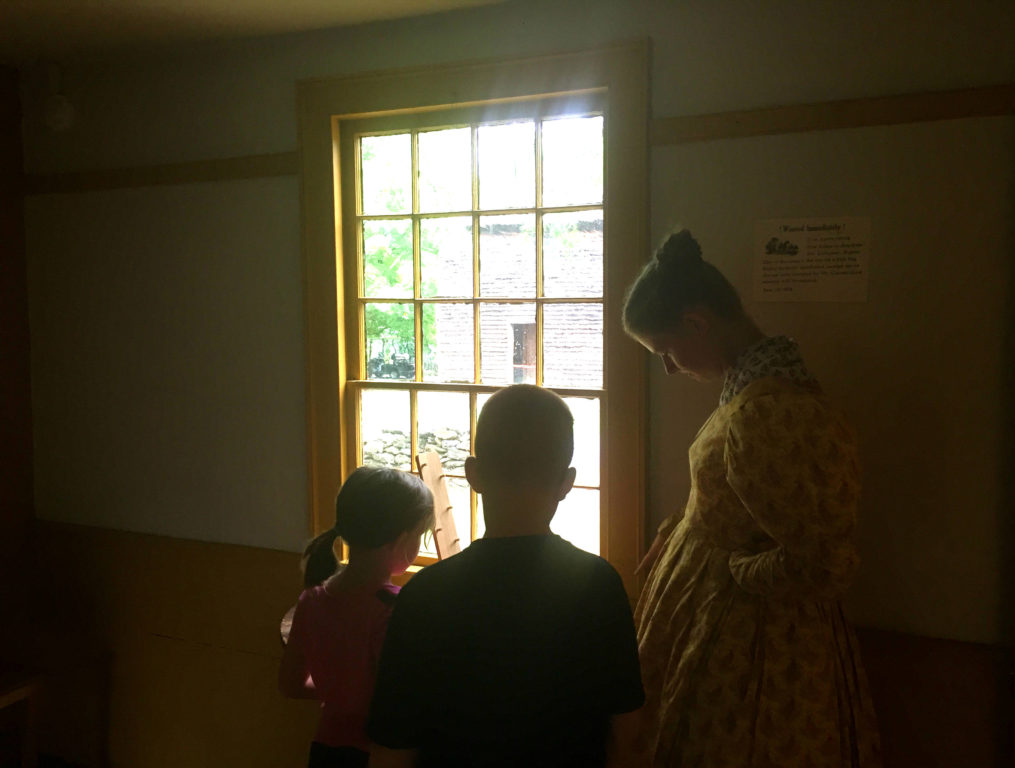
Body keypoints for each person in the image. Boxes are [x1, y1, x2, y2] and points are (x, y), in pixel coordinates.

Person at [622, 230, 882, 767]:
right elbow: (741, 500)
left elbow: (823, 562)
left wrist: (736, 572)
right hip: (722, 618)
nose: (669, 368)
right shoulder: (754, 390)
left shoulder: (769, 413)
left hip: (753, 640)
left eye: (666, 351)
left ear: (697, 322)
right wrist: (678, 531)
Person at [366, 384, 645, 768]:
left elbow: (392, 750)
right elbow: (626, 734)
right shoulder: (599, 585)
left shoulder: (424, 595)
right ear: (566, 482)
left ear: (473, 474)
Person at [279, 466, 435, 768]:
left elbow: (290, 685)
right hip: (374, 755)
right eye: (421, 536)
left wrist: (336, 692)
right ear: (402, 539)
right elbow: (396, 699)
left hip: (324, 750)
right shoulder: (391, 609)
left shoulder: (311, 600)